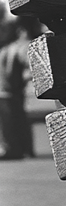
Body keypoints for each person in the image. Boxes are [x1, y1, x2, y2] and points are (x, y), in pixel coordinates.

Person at [0, 19, 38, 160]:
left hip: (8, 91)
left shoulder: (16, 47)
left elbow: (30, 66)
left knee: (9, 123)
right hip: (12, 91)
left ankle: (12, 148)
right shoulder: (10, 47)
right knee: (18, 120)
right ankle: (25, 148)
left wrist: (28, 76)